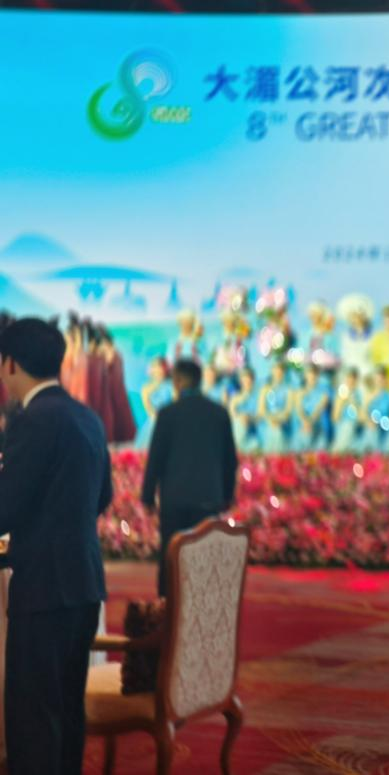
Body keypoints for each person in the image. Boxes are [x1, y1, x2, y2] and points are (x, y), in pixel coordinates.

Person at [0, 317, 113, 775]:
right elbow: (102, 497)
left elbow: (6, 507)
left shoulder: (32, 420)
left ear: (10, 363)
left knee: (33, 718)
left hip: (44, 588)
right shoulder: (87, 416)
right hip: (83, 584)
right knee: (66, 710)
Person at [141, 359, 238, 596]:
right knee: (203, 558)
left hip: (174, 500)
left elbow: (156, 458)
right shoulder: (219, 412)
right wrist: (227, 496)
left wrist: (147, 496)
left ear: (177, 381)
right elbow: (230, 460)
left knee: (171, 556)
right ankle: (201, 609)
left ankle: (168, 608)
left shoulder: (168, 413)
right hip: (209, 498)